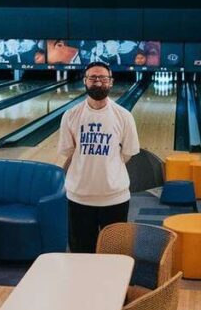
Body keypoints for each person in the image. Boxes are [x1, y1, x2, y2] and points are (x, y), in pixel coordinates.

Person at [57, 61, 140, 253]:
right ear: (85, 81)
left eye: (103, 78)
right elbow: (69, 152)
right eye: (93, 78)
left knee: (115, 255)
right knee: (81, 256)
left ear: (111, 82)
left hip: (115, 198)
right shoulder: (70, 115)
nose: (98, 82)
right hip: (79, 198)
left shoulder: (124, 116)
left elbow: (127, 154)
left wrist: (108, 170)